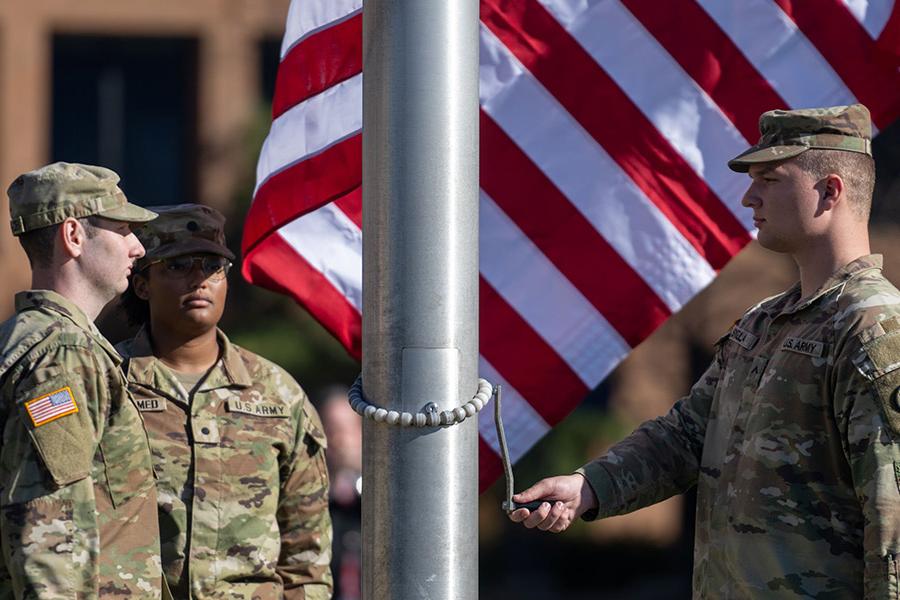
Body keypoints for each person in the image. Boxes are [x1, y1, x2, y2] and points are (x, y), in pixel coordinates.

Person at [509, 104, 900, 597]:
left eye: (771, 179)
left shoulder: (872, 328)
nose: (748, 197)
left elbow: (893, 520)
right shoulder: (763, 323)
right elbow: (688, 435)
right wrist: (589, 487)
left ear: (830, 190)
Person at [117, 203, 333, 599]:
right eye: (178, 265)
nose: (199, 279)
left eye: (212, 266)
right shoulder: (108, 382)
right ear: (142, 284)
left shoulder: (277, 394)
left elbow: (306, 554)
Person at [0, 162, 163, 597]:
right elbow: (48, 527)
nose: (138, 249)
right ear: (73, 236)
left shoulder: (25, 341)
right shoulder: (63, 354)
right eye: (123, 229)